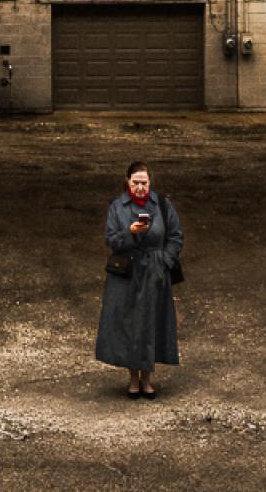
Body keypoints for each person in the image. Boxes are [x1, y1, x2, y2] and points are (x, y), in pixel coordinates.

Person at [95, 161, 182, 399]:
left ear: (150, 183)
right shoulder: (117, 207)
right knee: (129, 326)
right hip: (127, 275)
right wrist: (130, 233)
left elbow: (175, 236)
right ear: (127, 182)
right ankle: (133, 379)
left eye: (144, 183)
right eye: (136, 183)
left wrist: (165, 261)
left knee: (151, 323)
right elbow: (111, 241)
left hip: (155, 272)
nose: (140, 188)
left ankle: (148, 379)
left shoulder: (163, 204)